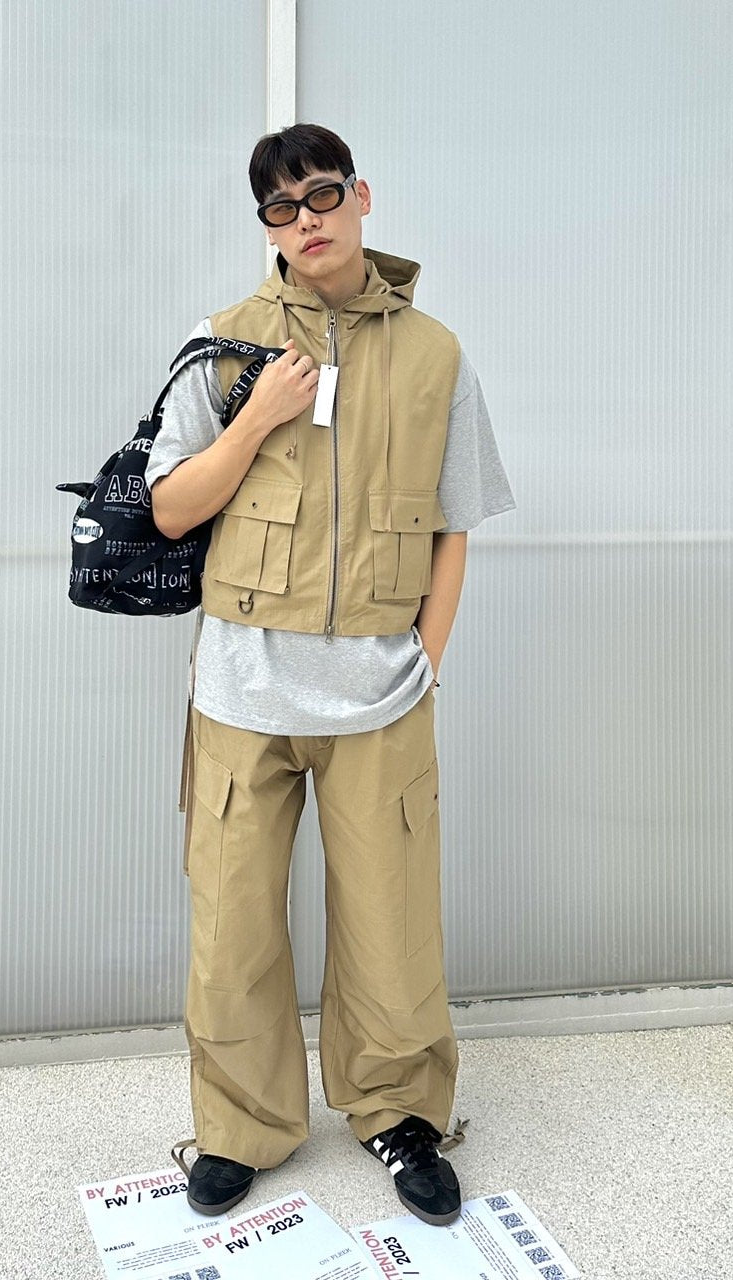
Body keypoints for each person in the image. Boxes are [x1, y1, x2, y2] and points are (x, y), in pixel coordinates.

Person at [146, 123, 515, 1227]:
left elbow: (455, 528)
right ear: (263, 224)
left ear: (360, 196)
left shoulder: (435, 353)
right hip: (240, 695)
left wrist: (425, 662)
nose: (301, 219)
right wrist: (255, 412)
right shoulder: (223, 343)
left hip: (379, 698)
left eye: (317, 194)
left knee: (391, 926)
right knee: (232, 930)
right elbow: (169, 508)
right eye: (275, 206)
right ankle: (239, 1125)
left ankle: (399, 1112)